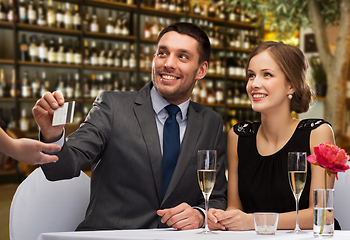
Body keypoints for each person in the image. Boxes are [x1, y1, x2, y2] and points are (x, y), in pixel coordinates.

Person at [32, 22, 227, 231]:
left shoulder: (211, 123)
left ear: (202, 69)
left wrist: (200, 214)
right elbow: (61, 169)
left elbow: (216, 198)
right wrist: (52, 136)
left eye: (183, 56)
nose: (169, 63)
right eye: (162, 53)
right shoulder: (112, 106)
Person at [208, 41, 335, 231]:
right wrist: (223, 218)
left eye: (267, 74)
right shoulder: (239, 136)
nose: (254, 84)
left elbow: (323, 214)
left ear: (291, 86)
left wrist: (253, 222)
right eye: (251, 75)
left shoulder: (317, 133)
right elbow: (235, 207)